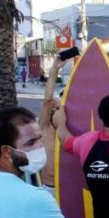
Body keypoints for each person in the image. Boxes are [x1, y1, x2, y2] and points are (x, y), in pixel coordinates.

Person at [37, 56, 68, 194]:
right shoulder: (44, 128)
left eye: (59, 108)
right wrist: (54, 70)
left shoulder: (69, 129)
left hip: (69, 189)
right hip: (50, 189)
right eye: (53, 108)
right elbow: (47, 100)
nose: (55, 109)